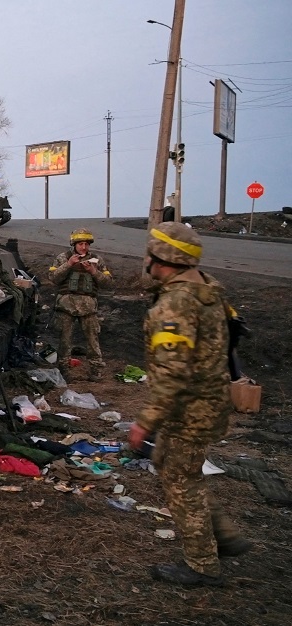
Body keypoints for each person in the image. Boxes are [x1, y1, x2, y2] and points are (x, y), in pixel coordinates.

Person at [129, 222, 250, 587]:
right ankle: (224, 539)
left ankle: (202, 565)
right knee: (172, 466)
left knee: (181, 481)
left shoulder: (176, 304)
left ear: (162, 258)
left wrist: (145, 422)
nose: (146, 259)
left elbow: (172, 373)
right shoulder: (206, 289)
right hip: (208, 401)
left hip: (190, 408)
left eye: (150, 253)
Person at [48, 228, 113, 379]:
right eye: (80, 244)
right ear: (74, 244)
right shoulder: (63, 258)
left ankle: (95, 369)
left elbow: (108, 283)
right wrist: (68, 265)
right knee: (64, 340)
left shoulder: (97, 260)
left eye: (86, 244)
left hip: (88, 306)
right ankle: (63, 369)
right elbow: (53, 278)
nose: (84, 247)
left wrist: (93, 271)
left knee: (92, 340)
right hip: (66, 306)